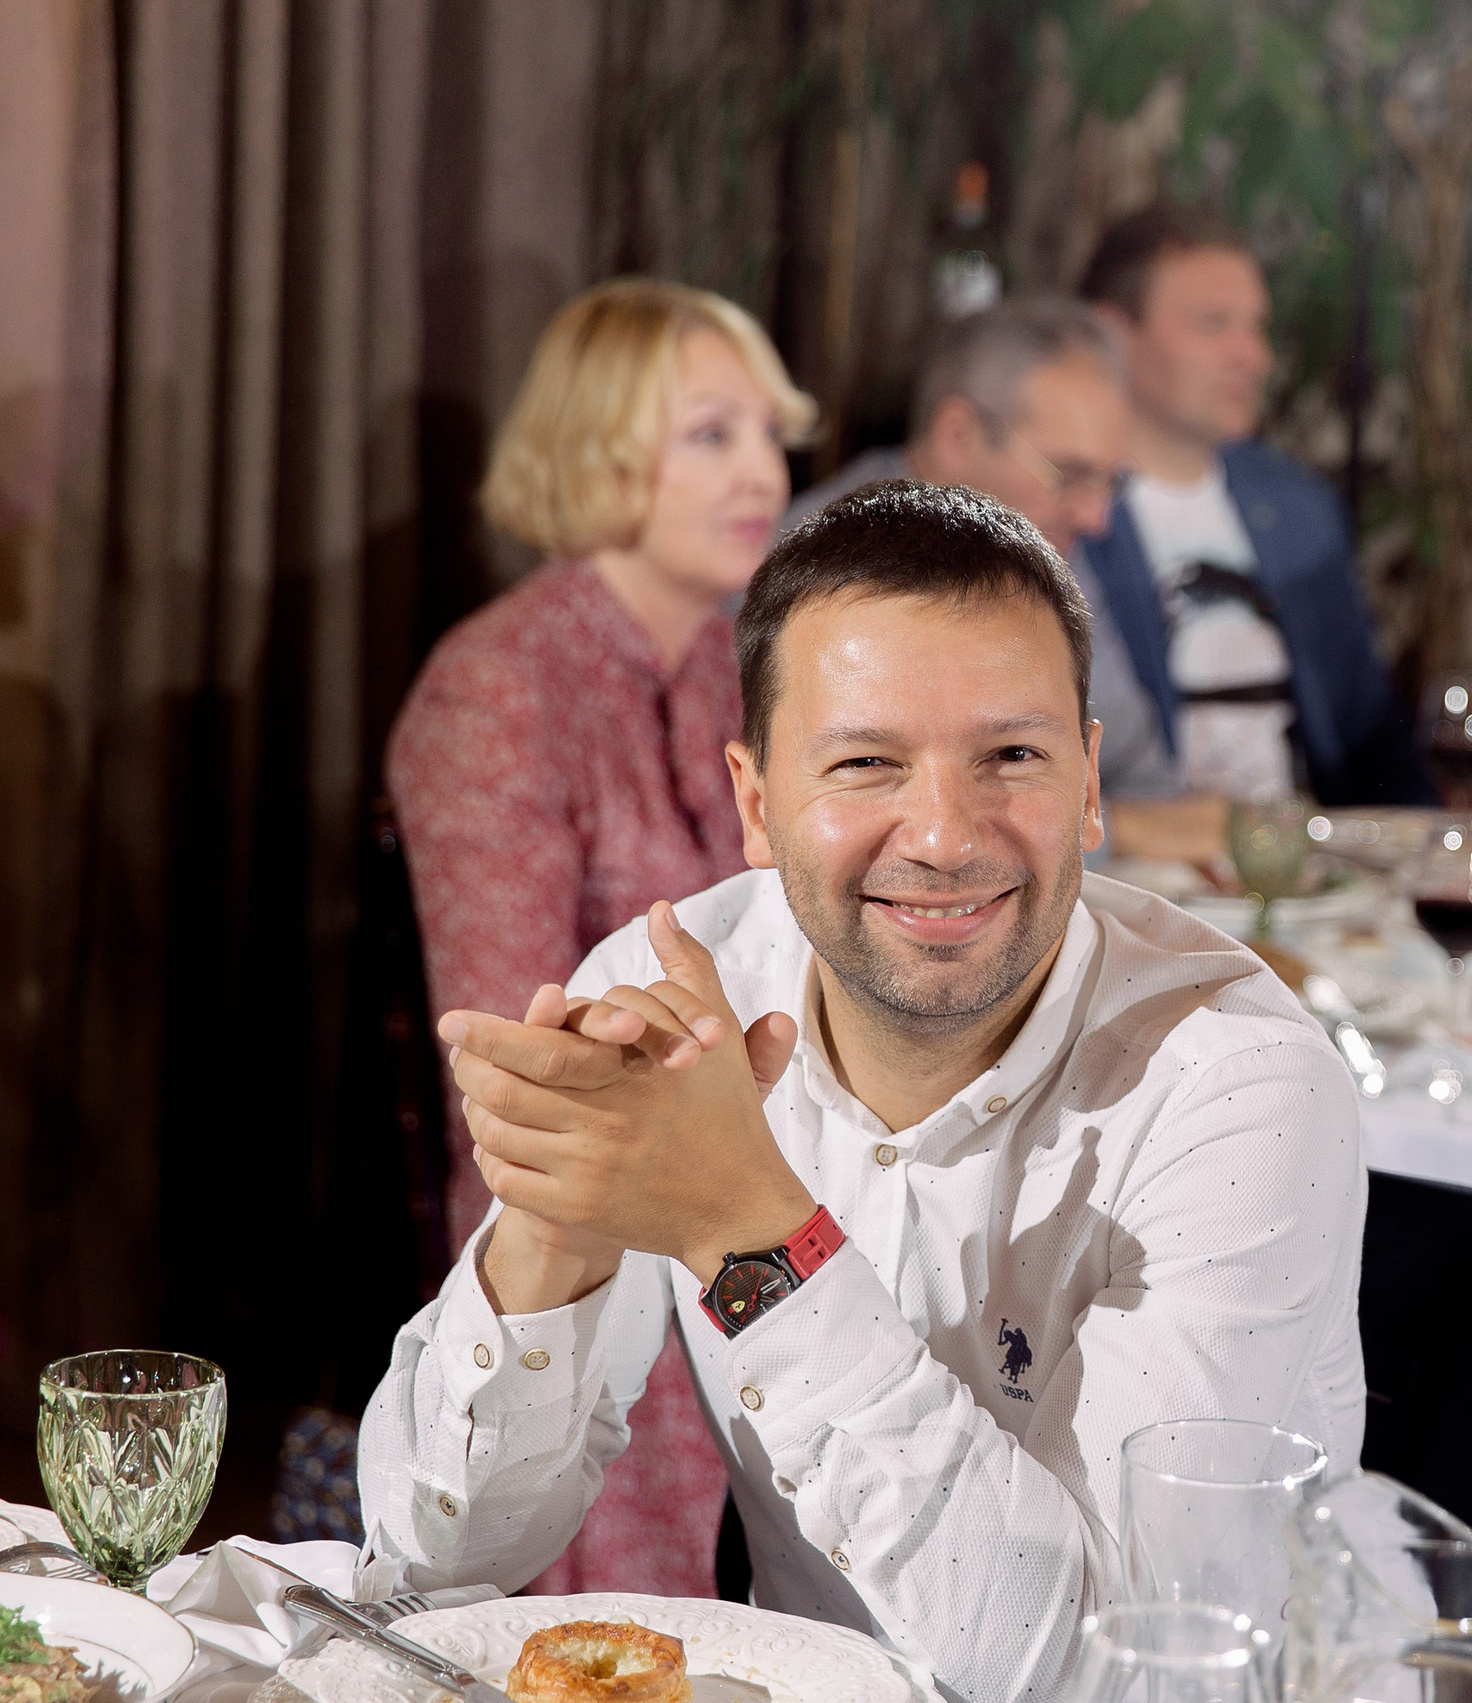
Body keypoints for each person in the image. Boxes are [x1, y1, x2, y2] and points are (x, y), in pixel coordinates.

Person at [356, 483, 1367, 1703]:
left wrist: (754, 1233)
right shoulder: (677, 993)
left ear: (1090, 782)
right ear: (755, 802)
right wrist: (554, 1234)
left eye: (1012, 755)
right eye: (866, 762)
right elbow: (430, 1555)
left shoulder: (1239, 1083)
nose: (942, 833)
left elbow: (1095, 1670)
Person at [383, 278, 814, 1598]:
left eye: (767, 431)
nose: (766, 471)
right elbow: (517, 1065)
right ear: (598, 452)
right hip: (585, 1218)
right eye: (711, 434)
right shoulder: (500, 685)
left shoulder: (745, 657)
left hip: (767, 1169)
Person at [786, 298, 1221, 861]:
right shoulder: (817, 566)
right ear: (958, 434)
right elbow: (886, 826)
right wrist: (1123, 830)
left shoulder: (1043, 541)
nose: (1096, 517)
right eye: (1069, 475)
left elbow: (1138, 765)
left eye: (1110, 482)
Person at [1077, 204, 1433, 808]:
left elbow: (1368, 730)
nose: (1254, 356)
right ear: (1112, 335)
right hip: (1134, 875)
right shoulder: (1064, 514)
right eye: (1214, 325)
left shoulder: (1298, 508)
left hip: (1298, 866)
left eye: (1256, 328)